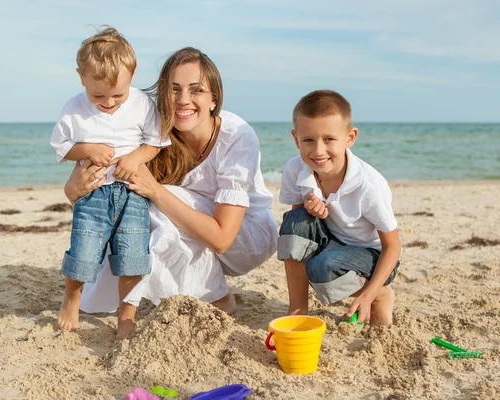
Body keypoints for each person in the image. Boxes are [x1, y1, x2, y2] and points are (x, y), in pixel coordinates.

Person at [64, 47, 278, 339]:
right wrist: (72, 188)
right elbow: (102, 192)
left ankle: (218, 299)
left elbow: (222, 238)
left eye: (197, 90)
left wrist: (154, 190)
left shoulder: (237, 135)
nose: (184, 100)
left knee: (153, 201)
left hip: (246, 237)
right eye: (174, 90)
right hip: (194, 223)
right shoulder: (152, 132)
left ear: (214, 99)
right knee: (130, 212)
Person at [50, 26, 171, 335]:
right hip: (93, 195)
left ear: (132, 75)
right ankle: (71, 298)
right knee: (83, 252)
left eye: (118, 94)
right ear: (81, 77)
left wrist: (136, 158)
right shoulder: (75, 108)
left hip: (132, 194)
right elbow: (62, 148)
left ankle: (126, 315)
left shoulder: (142, 103)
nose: (109, 102)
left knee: (132, 255)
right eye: (98, 95)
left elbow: (155, 142)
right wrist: (88, 149)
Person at [278, 90, 401, 325]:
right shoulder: (295, 169)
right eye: (308, 140)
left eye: (329, 139)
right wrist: (311, 210)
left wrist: (369, 293)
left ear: (350, 137)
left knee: (322, 268)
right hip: (332, 241)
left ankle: (380, 294)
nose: (318, 150)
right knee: (294, 221)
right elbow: (298, 226)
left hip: (372, 255)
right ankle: (297, 310)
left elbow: (393, 246)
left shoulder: (369, 186)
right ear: (296, 139)